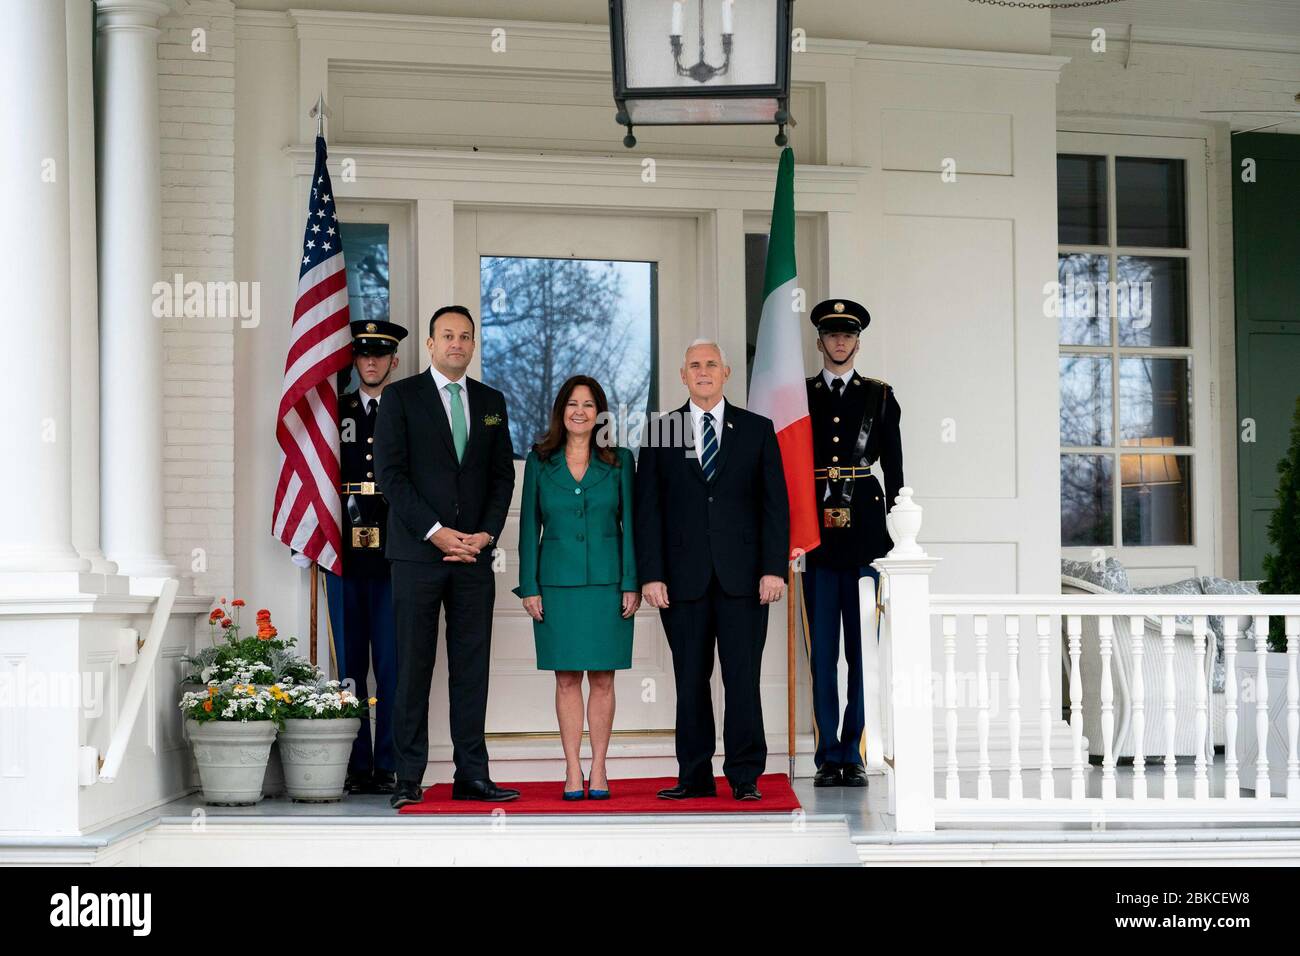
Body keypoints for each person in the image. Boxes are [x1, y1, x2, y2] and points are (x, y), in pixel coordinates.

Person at [372, 305, 518, 808]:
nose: (457, 343)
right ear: (431, 345)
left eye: (465, 336)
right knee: (411, 666)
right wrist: (435, 532)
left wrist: (485, 534)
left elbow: (503, 476)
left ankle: (471, 774)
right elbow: (391, 476)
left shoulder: (492, 402)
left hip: (474, 558)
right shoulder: (400, 397)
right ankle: (407, 775)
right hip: (417, 556)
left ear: (473, 345)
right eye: (447, 336)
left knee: (471, 668)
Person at [634, 339, 790, 801]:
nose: (703, 371)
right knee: (690, 680)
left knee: (742, 679)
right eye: (694, 365)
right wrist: (651, 573)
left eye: (711, 365)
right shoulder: (662, 430)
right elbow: (648, 509)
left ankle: (744, 777)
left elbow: (774, 505)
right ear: (682, 375)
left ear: (726, 374)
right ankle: (695, 775)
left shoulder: (758, 429)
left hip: (746, 579)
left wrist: (773, 569)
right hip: (681, 581)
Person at [513, 376, 639, 801]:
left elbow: (631, 528)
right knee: (566, 678)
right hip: (556, 586)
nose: (580, 411)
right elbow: (529, 525)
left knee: (603, 678)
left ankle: (600, 769)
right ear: (560, 411)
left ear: (600, 413)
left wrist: (631, 582)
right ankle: (571, 769)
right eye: (572, 403)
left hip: (607, 586)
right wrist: (529, 585)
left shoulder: (620, 460)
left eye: (588, 404)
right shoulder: (539, 460)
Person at [803, 298, 903, 788]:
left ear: (858, 342)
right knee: (822, 652)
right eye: (831, 334)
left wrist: (901, 537)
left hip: (867, 540)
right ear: (819, 341)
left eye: (847, 335)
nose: (839, 342)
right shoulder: (798, 397)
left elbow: (897, 474)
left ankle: (855, 750)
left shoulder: (880, 397)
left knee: (864, 653)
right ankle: (826, 755)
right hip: (816, 540)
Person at [325, 319, 406, 795]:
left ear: (393, 361)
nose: (371, 361)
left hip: (396, 548)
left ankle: (390, 762)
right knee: (350, 663)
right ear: (354, 360)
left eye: (380, 354)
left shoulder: (408, 410)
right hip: (343, 545)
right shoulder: (335, 412)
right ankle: (357, 763)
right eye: (363, 354)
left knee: (393, 662)